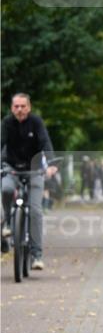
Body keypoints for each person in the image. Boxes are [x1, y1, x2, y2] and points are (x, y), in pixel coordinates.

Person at [1, 93, 58, 268]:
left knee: (35, 210)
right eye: (16, 106)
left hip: (34, 170)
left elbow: (45, 143)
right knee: (6, 190)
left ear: (29, 107)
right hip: (11, 168)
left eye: (23, 106)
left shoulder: (36, 122)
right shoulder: (6, 123)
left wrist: (51, 164)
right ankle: (7, 224)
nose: (19, 109)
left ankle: (36, 255)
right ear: (12, 108)